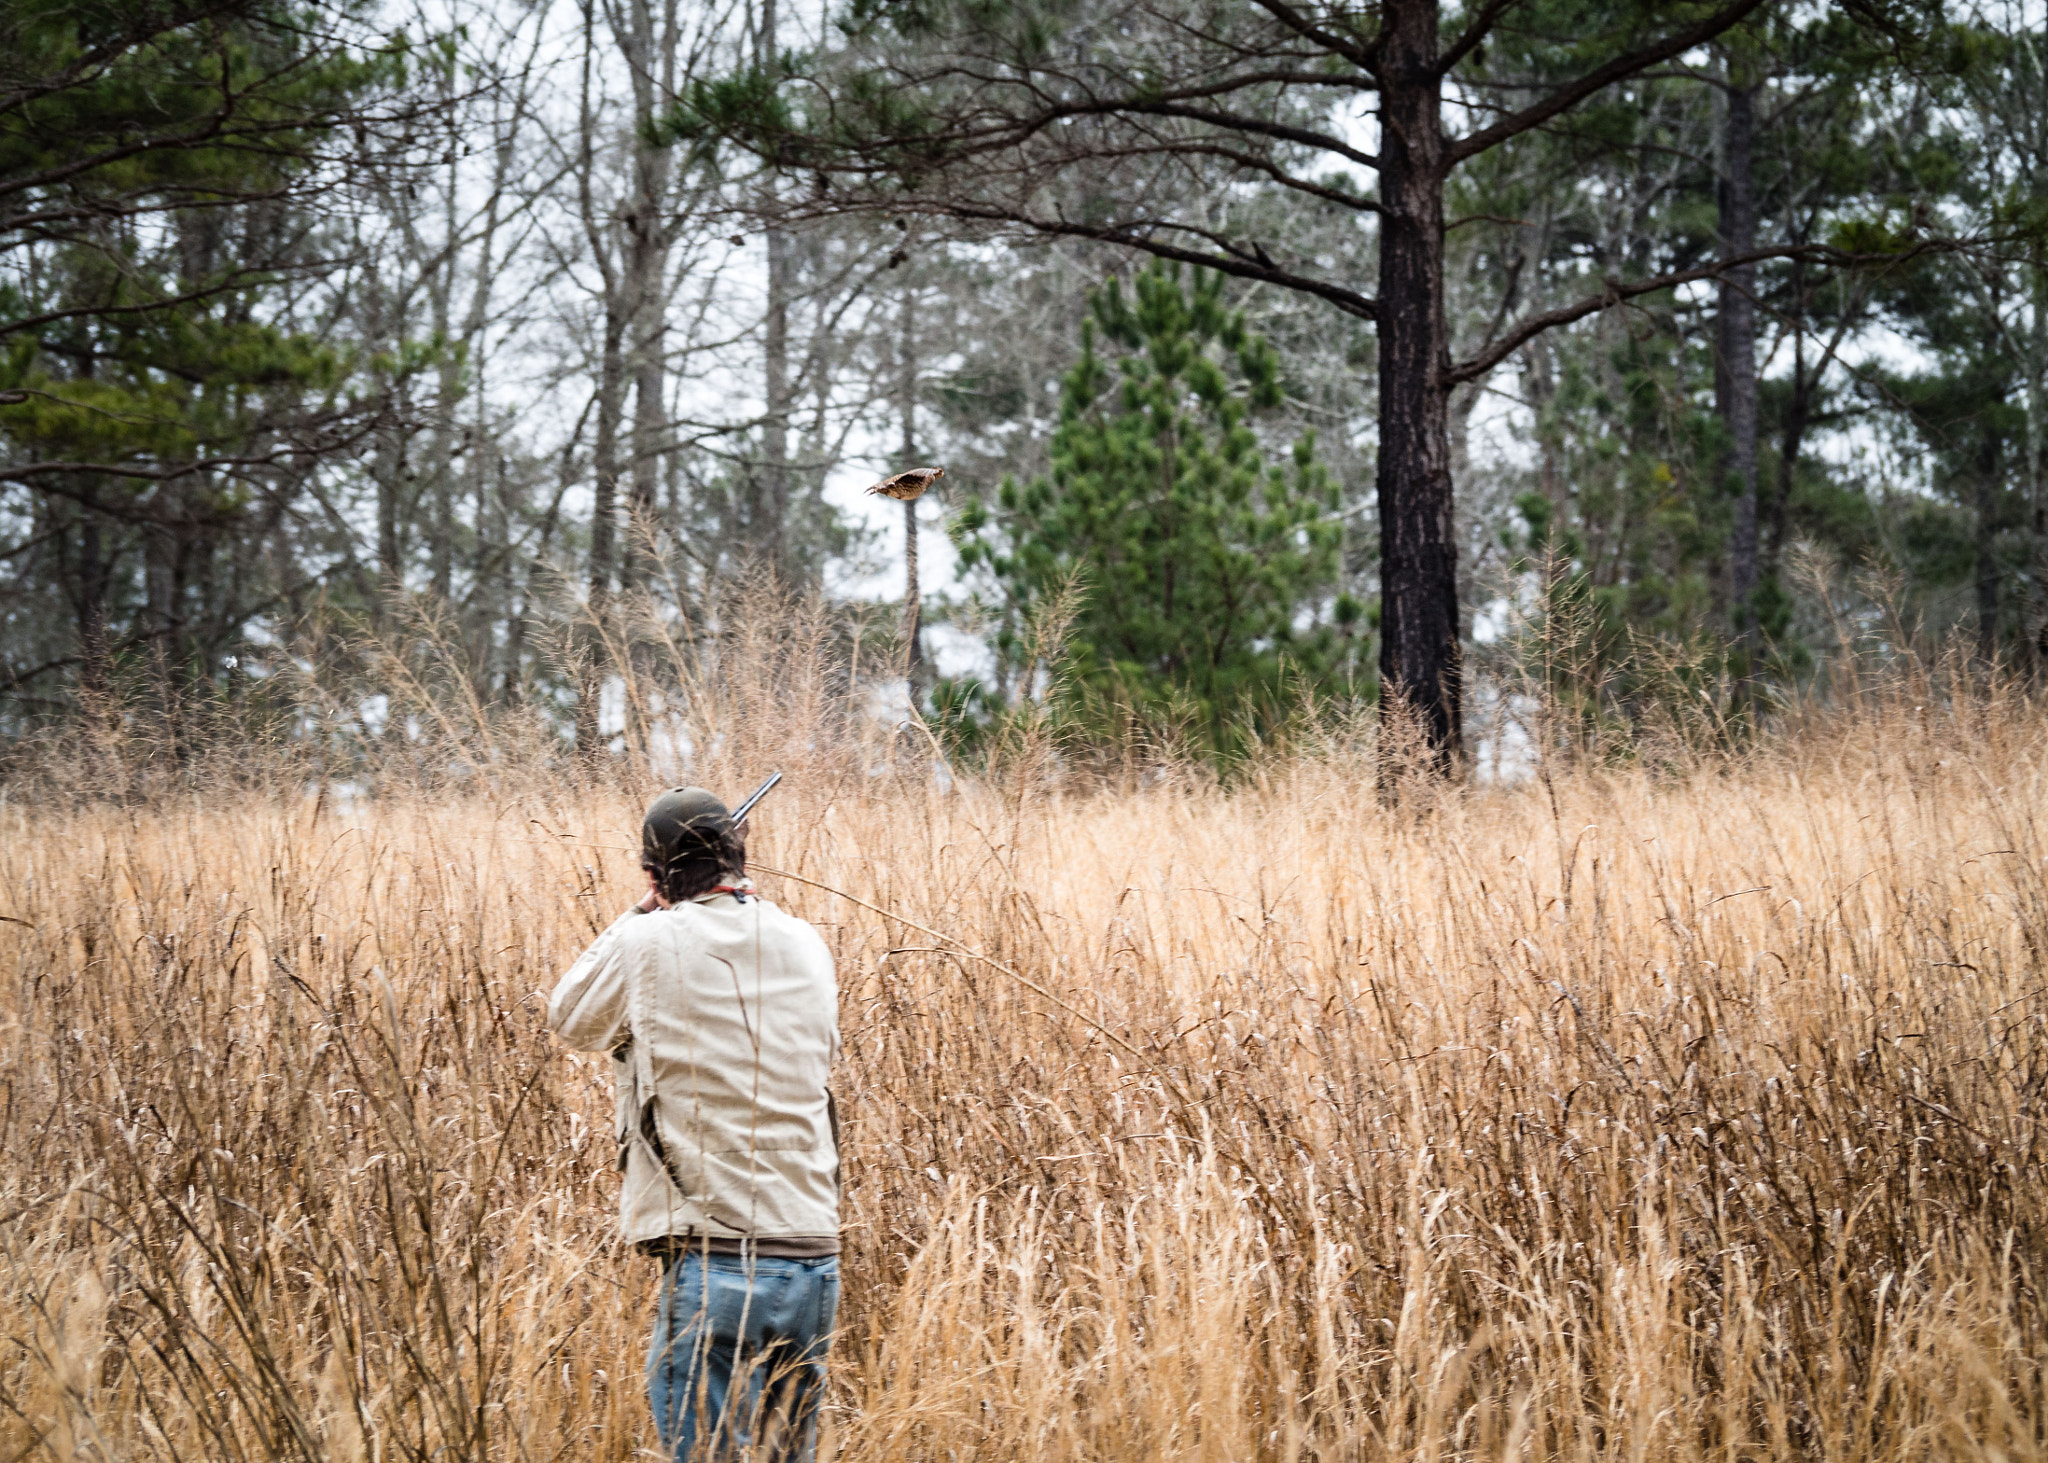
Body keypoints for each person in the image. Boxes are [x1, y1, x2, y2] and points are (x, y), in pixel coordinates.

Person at [548, 786, 841, 1462]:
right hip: (814, 1257)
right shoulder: (807, 941)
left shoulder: (649, 939)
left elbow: (571, 1014)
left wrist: (641, 911)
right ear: (738, 857)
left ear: (656, 873)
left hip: (716, 1261)